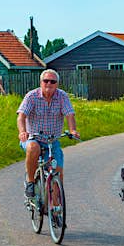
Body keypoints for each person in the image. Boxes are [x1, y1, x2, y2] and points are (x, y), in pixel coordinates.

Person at [17, 69, 80, 198]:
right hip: (33, 138)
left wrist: (73, 130)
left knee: (57, 174)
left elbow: (69, 114)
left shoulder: (62, 96)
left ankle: (55, 210)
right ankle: (30, 181)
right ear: (41, 82)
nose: (49, 84)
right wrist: (22, 132)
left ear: (57, 84)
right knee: (33, 148)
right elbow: (21, 116)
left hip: (52, 141)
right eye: (46, 81)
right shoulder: (32, 96)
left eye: (52, 81)